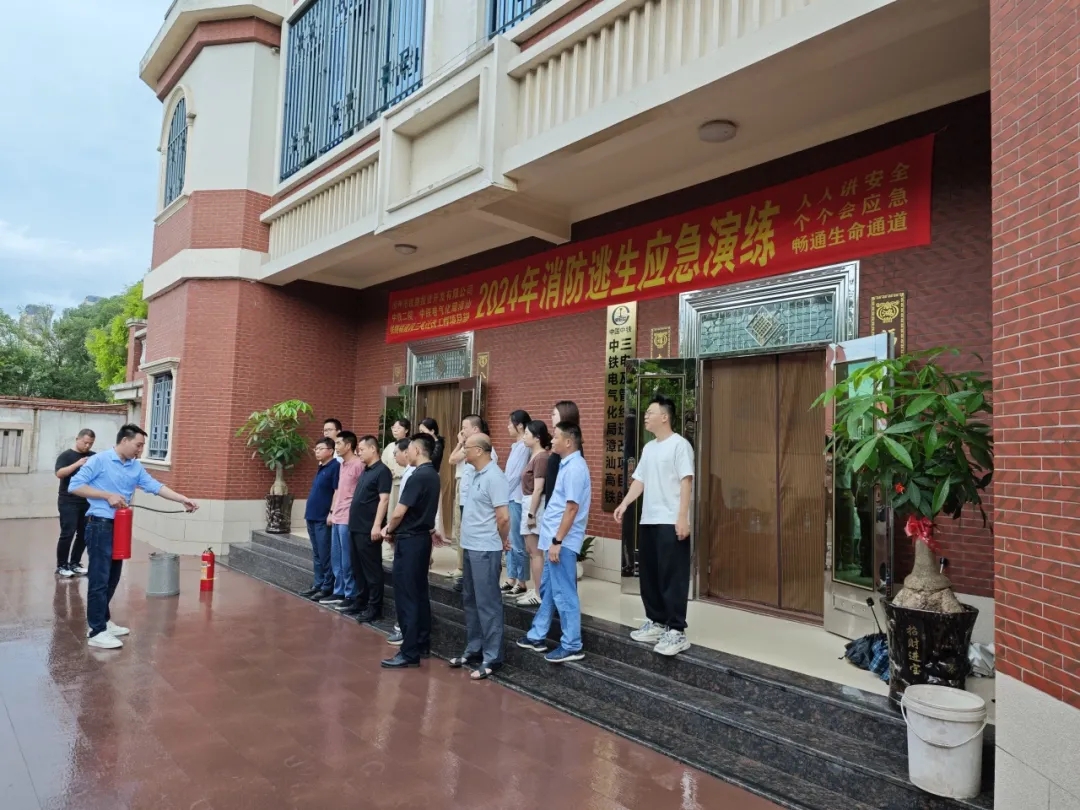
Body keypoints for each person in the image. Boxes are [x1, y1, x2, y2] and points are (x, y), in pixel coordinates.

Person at [69, 424, 198, 649]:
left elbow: (155, 486)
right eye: (138, 445)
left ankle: (104, 621)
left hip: (120, 526)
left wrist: (182, 499)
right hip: (99, 525)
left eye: (142, 446)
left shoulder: (135, 466)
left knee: (113, 576)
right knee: (99, 578)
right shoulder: (100, 460)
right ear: (125, 441)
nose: (140, 450)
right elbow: (75, 485)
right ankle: (96, 630)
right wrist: (106, 495)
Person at [614, 394, 695, 656]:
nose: (645, 416)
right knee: (649, 575)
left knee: (672, 576)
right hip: (649, 519)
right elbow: (640, 480)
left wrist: (682, 517)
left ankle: (676, 631)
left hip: (670, 520)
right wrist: (625, 503)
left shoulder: (680, 445)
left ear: (665, 417)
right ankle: (657, 622)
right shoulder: (649, 448)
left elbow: (686, 481)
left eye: (650, 412)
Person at [516, 422, 590, 664]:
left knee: (564, 593)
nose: (552, 440)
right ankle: (537, 635)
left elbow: (572, 508)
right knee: (549, 590)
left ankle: (572, 645)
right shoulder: (566, 465)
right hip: (553, 540)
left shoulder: (575, 468)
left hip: (562, 542)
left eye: (556, 437)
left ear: (568, 441)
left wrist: (557, 541)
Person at [448, 433, 511, 680]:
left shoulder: (495, 477)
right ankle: (474, 648)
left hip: (486, 548)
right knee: (471, 600)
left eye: (467, 447)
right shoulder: (474, 473)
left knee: (487, 603)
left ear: (480, 450)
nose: (463, 451)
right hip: (470, 545)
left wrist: (501, 540)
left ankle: (492, 657)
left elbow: (503, 517)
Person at [381, 433, 443, 669]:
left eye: (409, 449)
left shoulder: (418, 476)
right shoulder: (433, 474)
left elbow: (399, 512)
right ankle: (421, 643)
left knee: (407, 595)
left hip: (410, 540)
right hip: (422, 539)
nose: (406, 454)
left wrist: (388, 529)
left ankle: (409, 652)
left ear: (416, 450)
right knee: (419, 593)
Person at [349, 435, 393, 622]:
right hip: (356, 527)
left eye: (362, 449)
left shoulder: (382, 471)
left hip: (369, 528)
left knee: (372, 570)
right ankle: (361, 601)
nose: (359, 452)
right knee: (357, 568)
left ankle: (375, 608)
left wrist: (376, 525)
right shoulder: (366, 470)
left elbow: (384, 499)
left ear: (373, 449)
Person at [449, 415, 498, 577]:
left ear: (476, 429)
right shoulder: (469, 447)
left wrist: (462, 444)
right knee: (460, 530)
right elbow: (451, 459)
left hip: (474, 497)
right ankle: (463, 567)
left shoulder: (480, 449)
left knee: (468, 532)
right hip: (464, 493)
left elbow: (453, 459)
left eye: (465, 428)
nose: (462, 431)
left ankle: (465, 568)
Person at [321, 431, 364, 609]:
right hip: (338, 515)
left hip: (348, 517)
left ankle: (350, 593)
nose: (336, 446)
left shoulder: (359, 465)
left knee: (347, 559)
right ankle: (339, 591)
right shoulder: (342, 465)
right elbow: (338, 491)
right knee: (336, 557)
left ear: (348, 445)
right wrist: (332, 512)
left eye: (339, 443)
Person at [517, 420, 552, 607]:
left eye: (527, 434)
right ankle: (537, 588)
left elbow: (538, 488)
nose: (524, 437)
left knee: (536, 552)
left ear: (537, 437)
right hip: (529, 502)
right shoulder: (535, 456)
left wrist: (531, 514)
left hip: (534, 504)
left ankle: (539, 592)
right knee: (531, 550)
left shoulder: (541, 458)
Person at [300, 437, 339, 601]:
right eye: (315, 449)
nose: (317, 451)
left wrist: (332, 512)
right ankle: (318, 584)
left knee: (325, 554)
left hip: (323, 517)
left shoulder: (335, 467)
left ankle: (327, 587)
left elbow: (337, 491)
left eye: (320, 449)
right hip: (312, 515)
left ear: (330, 451)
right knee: (317, 554)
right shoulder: (321, 467)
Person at [54, 428, 96, 578]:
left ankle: (75, 563)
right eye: (85, 442)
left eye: (90, 443)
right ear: (77, 439)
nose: (87, 446)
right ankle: (61, 565)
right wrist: (77, 464)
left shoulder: (93, 456)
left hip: (86, 500)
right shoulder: (66, 456)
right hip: (68, 501)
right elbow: (59, 473)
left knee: (84, 533)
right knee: (68, 533)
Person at [501, 410, 532, 598]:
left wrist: (502, 494)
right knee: (510, 541)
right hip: (510, 496)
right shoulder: (516, 446)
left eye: (510, 423)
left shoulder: (523, 447)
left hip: (516, 498)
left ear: (519, 425)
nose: (507, 427)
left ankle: (522, 581)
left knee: (518, 542)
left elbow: (515, 476)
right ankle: (511, 577)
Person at [543, 401, 580, 517]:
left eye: (554, 414)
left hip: (559, 513)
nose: (551, 417)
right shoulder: (560, 445)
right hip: (552, 508)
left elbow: (571, 504)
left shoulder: (571, 448)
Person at [382, 418, 410, 515]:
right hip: (391, 483)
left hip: (405, 482)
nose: (395, 430)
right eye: (393, 427)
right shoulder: (390, 446)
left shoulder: (410, 445)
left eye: (398, 428)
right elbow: (383, 463)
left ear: (406, 430)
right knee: (392, 511)